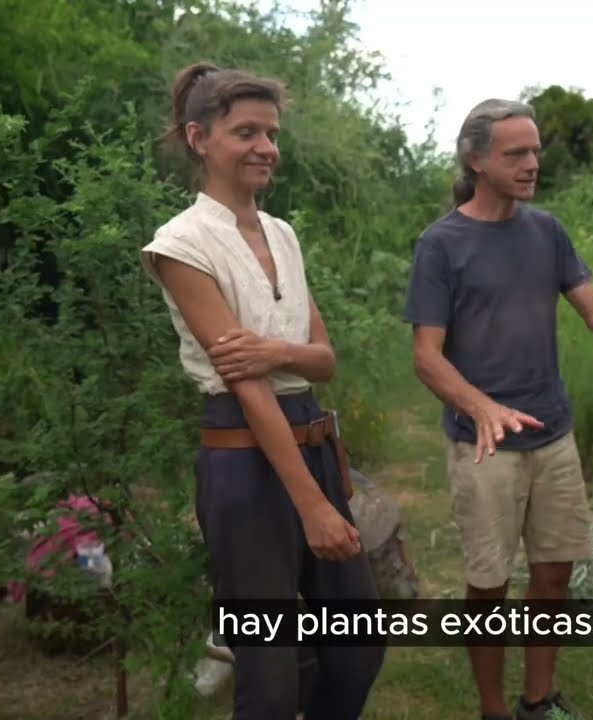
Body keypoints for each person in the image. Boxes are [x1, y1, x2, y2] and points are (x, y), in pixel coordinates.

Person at [402, 98, 593, 720]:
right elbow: (427, 357)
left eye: (535, 151)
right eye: (516, 153)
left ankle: (537, 700)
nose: (531, 163)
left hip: (552, 436)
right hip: (485, 445)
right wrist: (481, 408)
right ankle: (493, 709)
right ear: (476, 160)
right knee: (488, 585)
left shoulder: (546, 232)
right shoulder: (441, 245)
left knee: (553, 576)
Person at [139, 62, 384, 720]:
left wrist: (277, 352)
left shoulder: (283, 234)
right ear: (199, 139)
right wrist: (312, 508)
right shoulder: (180, 245)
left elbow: (324, 360)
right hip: (244, 462)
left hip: (313, 442)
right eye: (246, 132)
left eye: (271, 133)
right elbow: (248, 388)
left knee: (358, 648)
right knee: (270, 679)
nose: (265, 147)